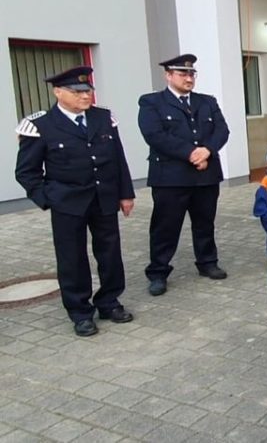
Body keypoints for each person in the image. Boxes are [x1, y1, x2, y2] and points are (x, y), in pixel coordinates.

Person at [15, 66, 135, 337]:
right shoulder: (40, 125)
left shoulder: (104, 118)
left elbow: (118, 159)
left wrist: (125, 194)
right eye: (78, 91)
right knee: (72, 259)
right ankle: (80, 312)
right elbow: (26, 172)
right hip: (67, 204)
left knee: (110, 253)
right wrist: (49, 199)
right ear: (58, 92)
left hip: (103, 198)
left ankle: (109, 302)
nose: (86, 95)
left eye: (88, 90)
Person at [138, 54, 230, 296]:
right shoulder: (152, 102)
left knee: (204, 223)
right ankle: (158, 272)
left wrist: (207, 150)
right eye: (183, 74)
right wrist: (191, 153)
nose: (189, 78)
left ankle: (207, 262)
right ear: (168, 75)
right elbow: (154, 135)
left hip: (205, 175)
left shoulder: (207, 101)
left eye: (192, 74)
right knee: (165, 227)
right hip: (171, 178)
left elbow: (222, 130)